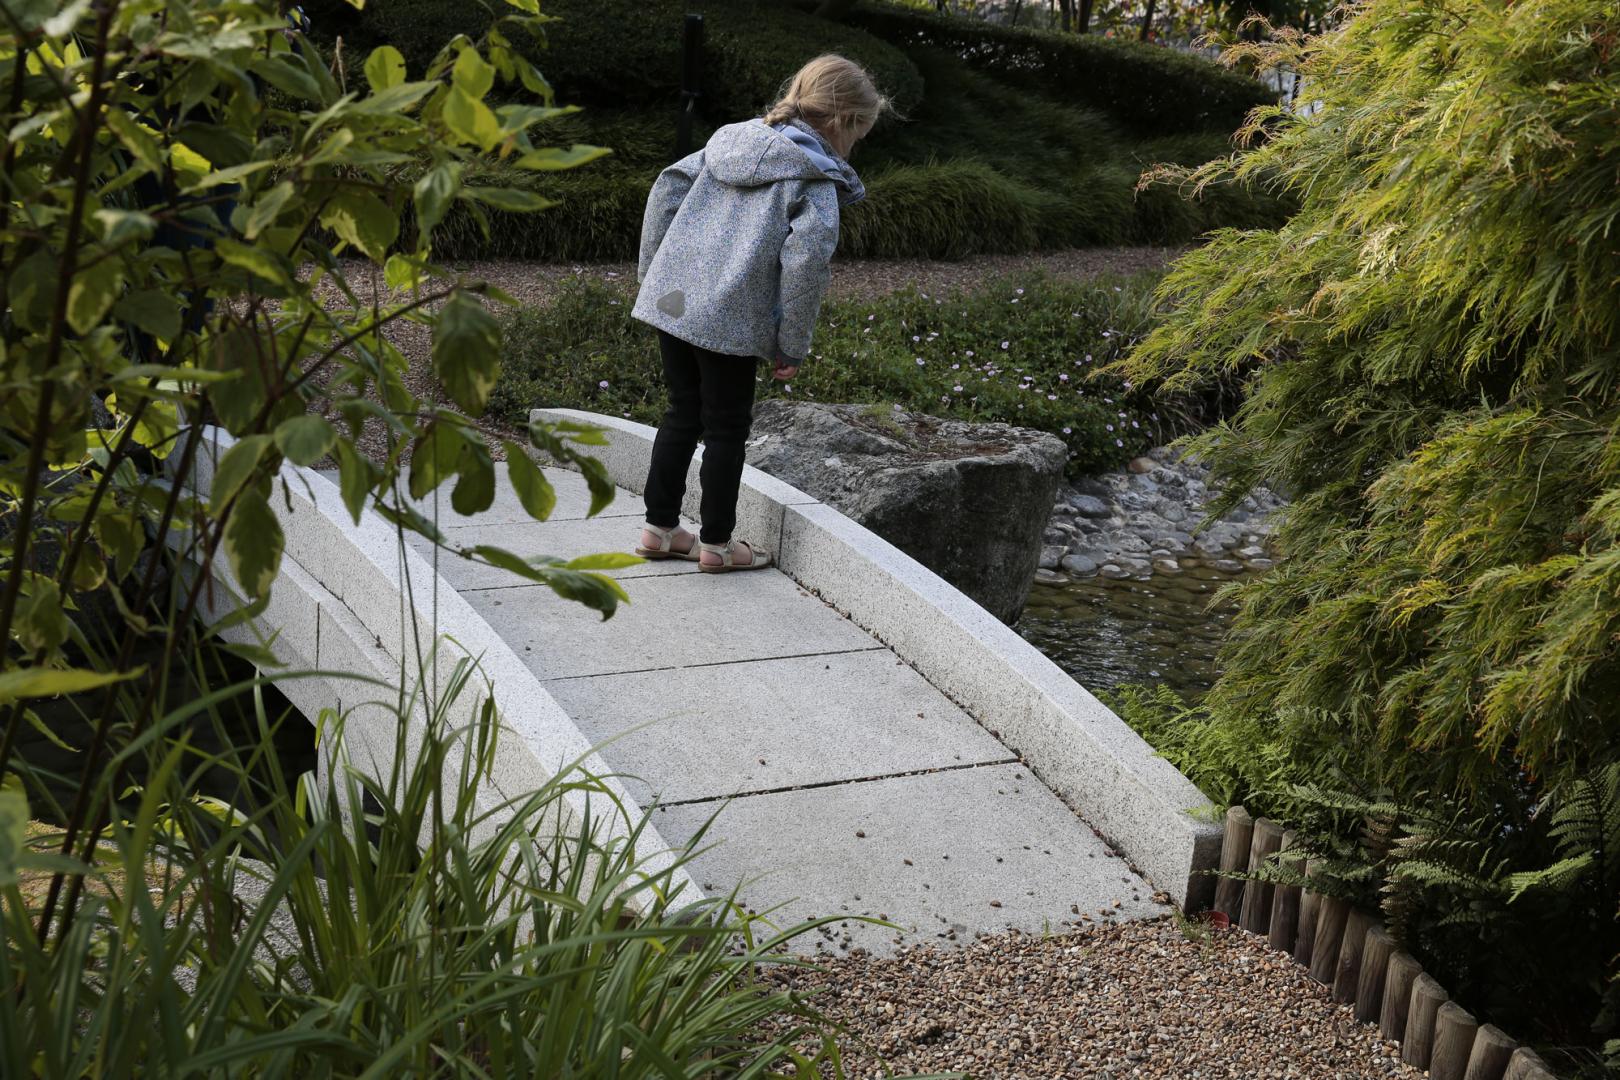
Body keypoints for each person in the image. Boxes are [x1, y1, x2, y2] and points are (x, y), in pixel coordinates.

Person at [631, 54, 888, 573]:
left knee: (682, 411)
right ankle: (718, 544)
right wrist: (790, 342)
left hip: (675, 303)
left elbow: (665, 191)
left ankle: (659, 530)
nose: (855, 146)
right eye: (860, 134)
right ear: (844, 122)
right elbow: (806, 264)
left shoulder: (730, 139)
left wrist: (652, 280)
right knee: (726, 429)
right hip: (731, 316)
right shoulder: (812, 177)